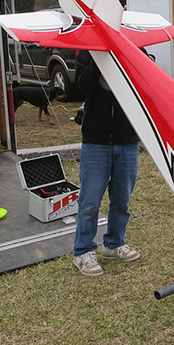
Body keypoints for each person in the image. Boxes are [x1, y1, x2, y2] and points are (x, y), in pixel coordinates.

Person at [71, 50, 141, 276]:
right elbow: (82, 87)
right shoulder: (85, 54)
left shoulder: (135, 51)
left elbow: (141, 84)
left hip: (127, 139)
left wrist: (128, 57)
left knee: (122, 200)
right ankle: (83, 251)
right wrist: (99, 59)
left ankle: (114, 244)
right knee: (90, 201)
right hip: (96, 141)